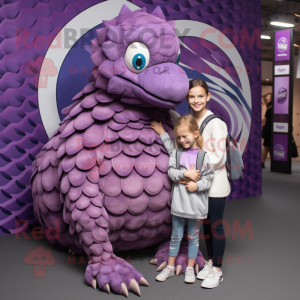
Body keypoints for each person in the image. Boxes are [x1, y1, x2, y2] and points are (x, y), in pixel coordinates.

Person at [151, 78, 230, 289]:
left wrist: (191, 172)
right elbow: (179, 140)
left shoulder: (216, 123)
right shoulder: (190, 122)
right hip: (196, 187)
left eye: (200, 96)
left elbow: (219, 158)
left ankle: (218, 270)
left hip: (214, 186)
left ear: (208, 97)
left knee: (215, 225)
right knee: (203, 227)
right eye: (192, 96)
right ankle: (211, 262)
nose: (196, 100)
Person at [155, 114, 214, 284]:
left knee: (193, 238)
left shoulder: (203, 157)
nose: (181, 140)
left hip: (196, 208)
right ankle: (170, 268)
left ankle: (190, 269)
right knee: (175, 237)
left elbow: (208, 178)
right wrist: (185, 174)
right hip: (179, 206)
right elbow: (171, 172)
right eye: (178, 137)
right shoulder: (177, 154)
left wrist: (197, 185)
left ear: (196, 134)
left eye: (185, 136)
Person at [261, 93, 273, 168]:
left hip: (270, 129)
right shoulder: (269, 107)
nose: (267, 100)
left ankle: (262, 162)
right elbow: (265, 118)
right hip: (268, 128)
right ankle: (263, 162)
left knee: (267, 146)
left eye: (268, 99)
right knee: (268, 146)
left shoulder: (271, 108)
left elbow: (266, 118)